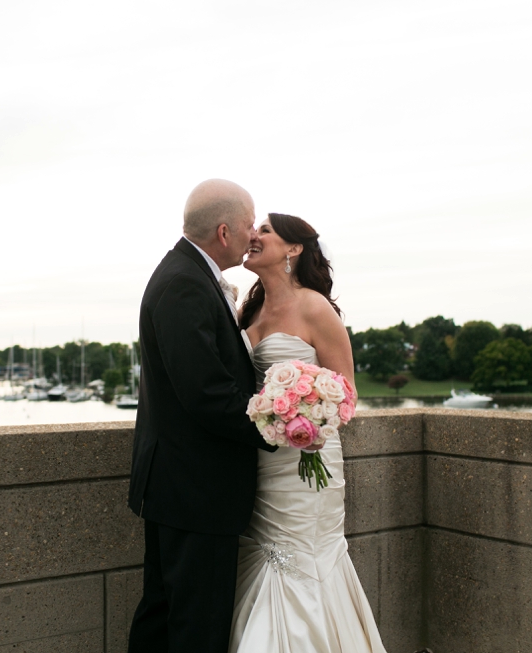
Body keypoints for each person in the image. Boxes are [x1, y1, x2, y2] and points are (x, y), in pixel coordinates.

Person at [127, 179, 277, 653]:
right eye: (250, 225)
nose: (255, 235)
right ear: (225, 231)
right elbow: (206, 393)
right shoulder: (184, 283)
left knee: (165, 613)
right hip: (195, 488)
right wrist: (279, 429)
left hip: (182, 486)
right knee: (196, 623)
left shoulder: (186, 274)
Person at [230, 213, 387, 652]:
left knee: (303, 557)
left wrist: (302, 416)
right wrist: (270, 418)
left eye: (264, 231)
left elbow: (346, 394)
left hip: (308, 460)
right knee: (265, 552)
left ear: (294, 249)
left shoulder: (315, 307)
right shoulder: (249, 308)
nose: (253, 236)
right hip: (262, 460)